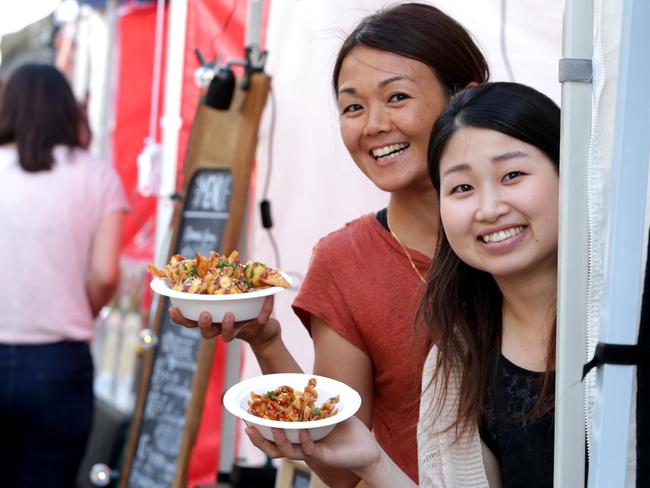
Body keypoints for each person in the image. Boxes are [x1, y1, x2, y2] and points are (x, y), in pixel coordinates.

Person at [170, 3, 489, 485]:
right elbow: (341, 467)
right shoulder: (346, 261)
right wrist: (266, 340)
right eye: (352, 106)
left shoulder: (523, 238)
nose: (373, 124)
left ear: (465, 98)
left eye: (397, 96)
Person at [245, 81, 560, 488]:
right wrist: (374, 462)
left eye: (512, 175)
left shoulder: (621, 324)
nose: (489, 208)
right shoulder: (455, 363)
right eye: (462, 187)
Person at [0, 63, 129, 487]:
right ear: (66, 110)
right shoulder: (97, 176)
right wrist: (77, 307)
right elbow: (106, 275)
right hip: (60, 364)